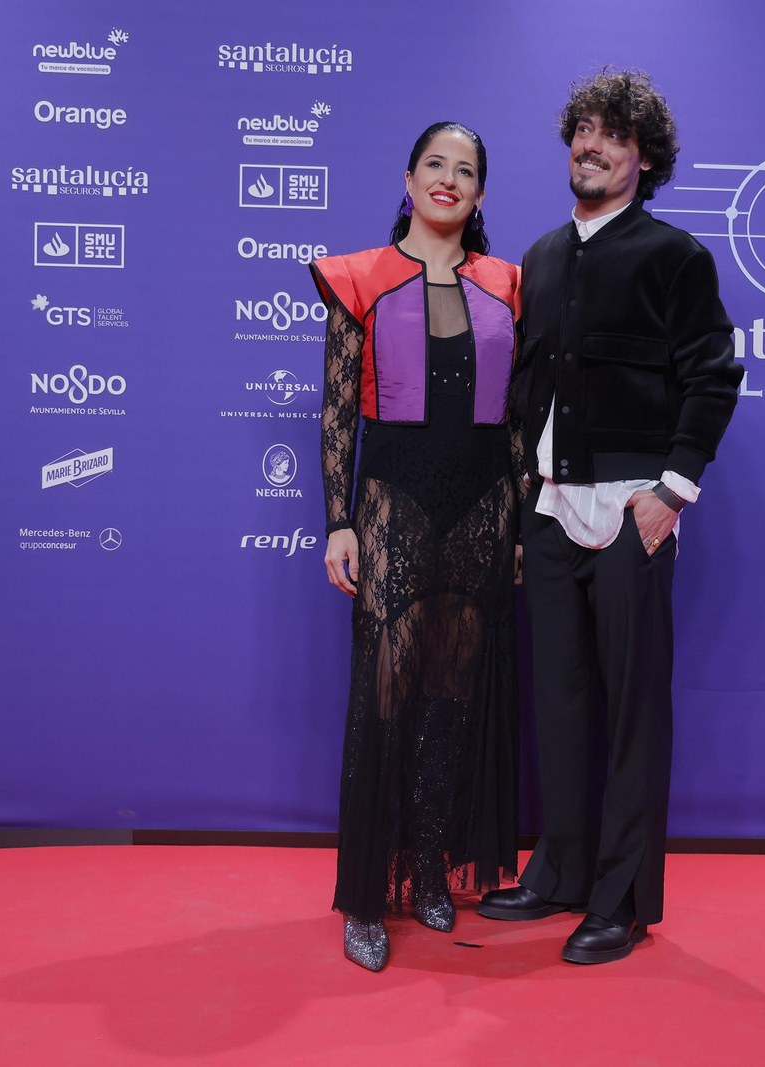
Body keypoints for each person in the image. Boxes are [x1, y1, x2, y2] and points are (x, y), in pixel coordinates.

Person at [479, 71, 742, 964]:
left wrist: (671, 492)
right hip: (550, 511)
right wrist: (523, 508)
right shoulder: (543, 256)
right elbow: (526, 392)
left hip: (634, 511)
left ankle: (622, 900)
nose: (589, 146)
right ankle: (558, 869)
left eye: (611, 135)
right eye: (581, 132)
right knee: (558, 701)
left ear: (645, 157)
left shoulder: (676, 256)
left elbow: (713, 375)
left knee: (632, 712)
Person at [312, 121, 522, 972]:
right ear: (408, 177)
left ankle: (433, 868)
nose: (449, 178)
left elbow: (516, 420)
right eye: (435, 163)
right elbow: (333, 414)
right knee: (386, 701)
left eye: (465, 169)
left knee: (452, 705)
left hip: (484, 510)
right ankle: (368, 895)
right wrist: (339, 519)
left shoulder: (510, 283)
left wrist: (521, 527)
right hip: (393, 505)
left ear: (479, 193)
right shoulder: (359, 276)